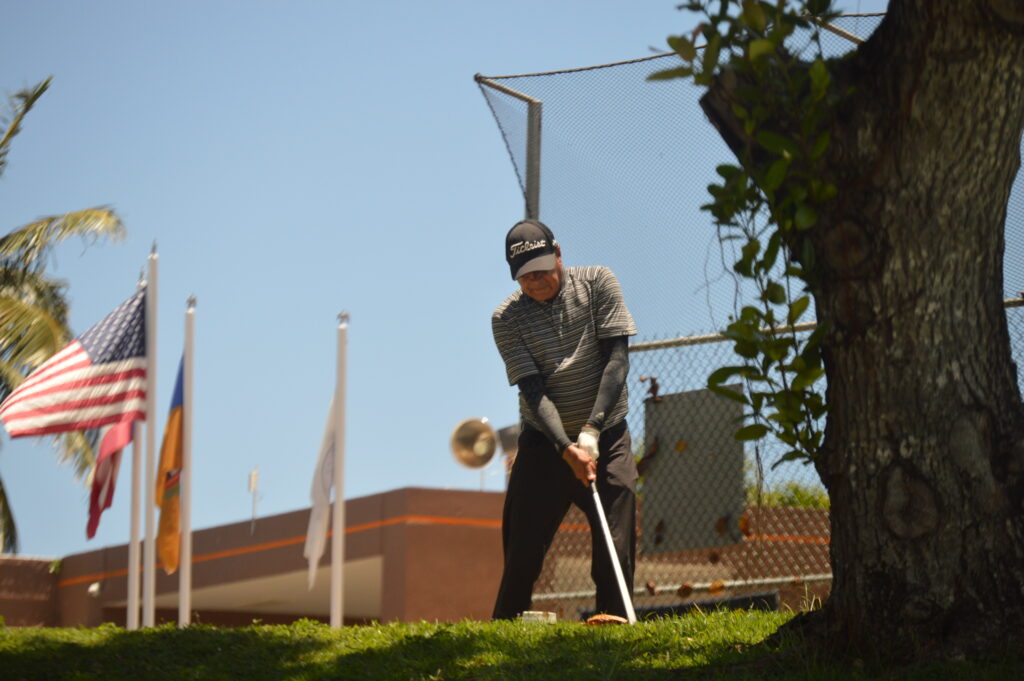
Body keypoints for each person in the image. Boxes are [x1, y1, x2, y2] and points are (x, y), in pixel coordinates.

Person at [490, 218, 639, 620]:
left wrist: (591, 430)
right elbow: (533, 392)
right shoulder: (506, 318)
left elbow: (617, 361)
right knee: (522, 551)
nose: (536, 282)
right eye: (525, 277)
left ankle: (613, 624)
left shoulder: (597, 282)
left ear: (558, 254)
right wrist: (566, 448)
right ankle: (505, 631)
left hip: (607, 437)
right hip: (544, 445)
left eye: (542, 270)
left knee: (615, 543)